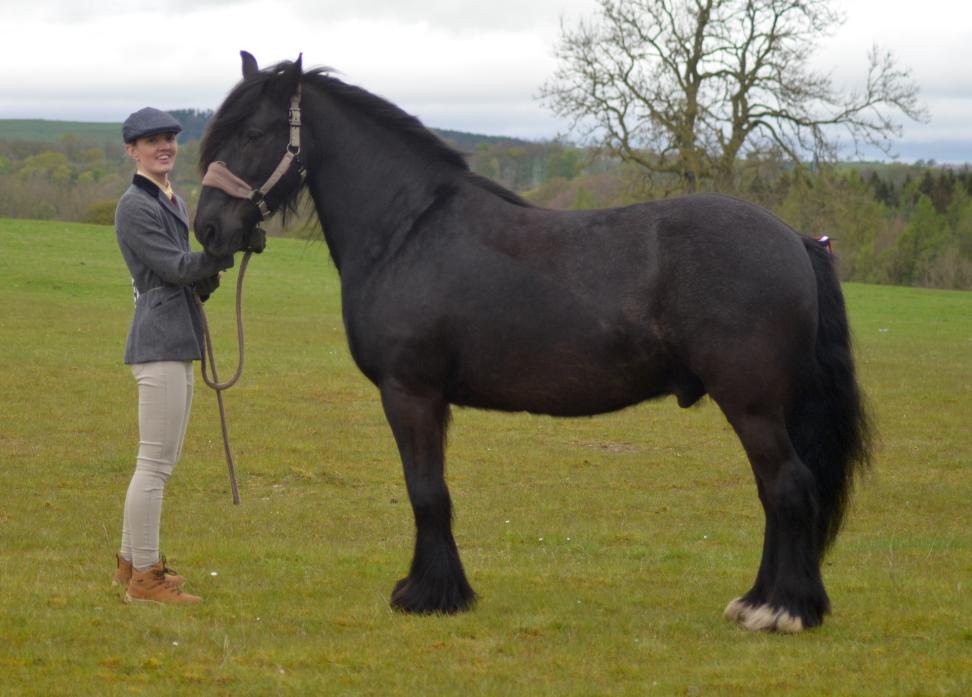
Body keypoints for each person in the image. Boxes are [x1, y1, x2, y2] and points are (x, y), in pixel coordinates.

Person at [111, 107, 234, 605]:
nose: (163, 146)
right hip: (158, 341)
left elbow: (194, 276)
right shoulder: (134, 206)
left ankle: (128, 565)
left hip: (178, 337)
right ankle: (145, 580)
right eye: (151, 140)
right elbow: (174, 266)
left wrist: (225, 256)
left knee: (160, 461)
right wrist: (222, 251)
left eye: (169, 138)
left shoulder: (172, 200)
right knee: (155, 466)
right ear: (132, 151)